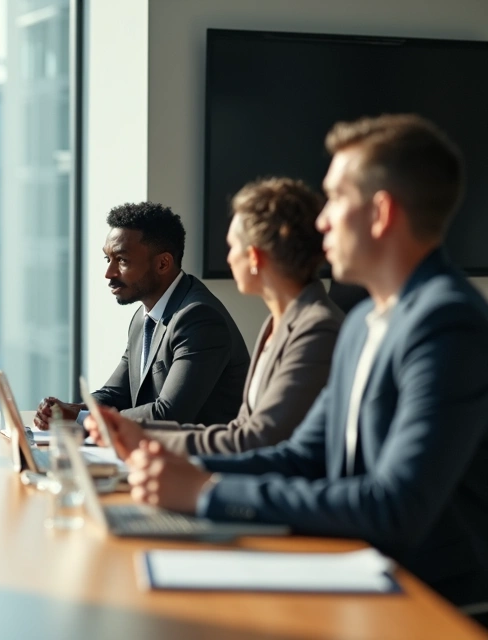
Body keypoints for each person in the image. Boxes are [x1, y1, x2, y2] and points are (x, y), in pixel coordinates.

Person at [98, 115, 488, 625]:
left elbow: (395, 505)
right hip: (351, 567)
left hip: (429, 601)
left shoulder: (446, 323)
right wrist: (178, 471)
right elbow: (304, 455)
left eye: (336, 199)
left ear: (381, 213)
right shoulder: (364, 321)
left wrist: (206, 493)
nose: (321, 221)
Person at [90, 178, 344, 455]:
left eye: (232, 247)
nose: (229, 258)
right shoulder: (278, 323)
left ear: (255, 257)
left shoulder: (316, 328)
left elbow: (258, 441)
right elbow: (242, 430)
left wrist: (132, 434)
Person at [36, 202, 249, 428]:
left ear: (163, 263)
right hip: (154, 453)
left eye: (122, 260)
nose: (109, 273)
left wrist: (83, 420)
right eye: (108, 259)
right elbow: (116, 394)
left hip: (201, 460)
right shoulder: (144, 316)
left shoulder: (199, 318)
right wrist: (69, 410)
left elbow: (169, 414)